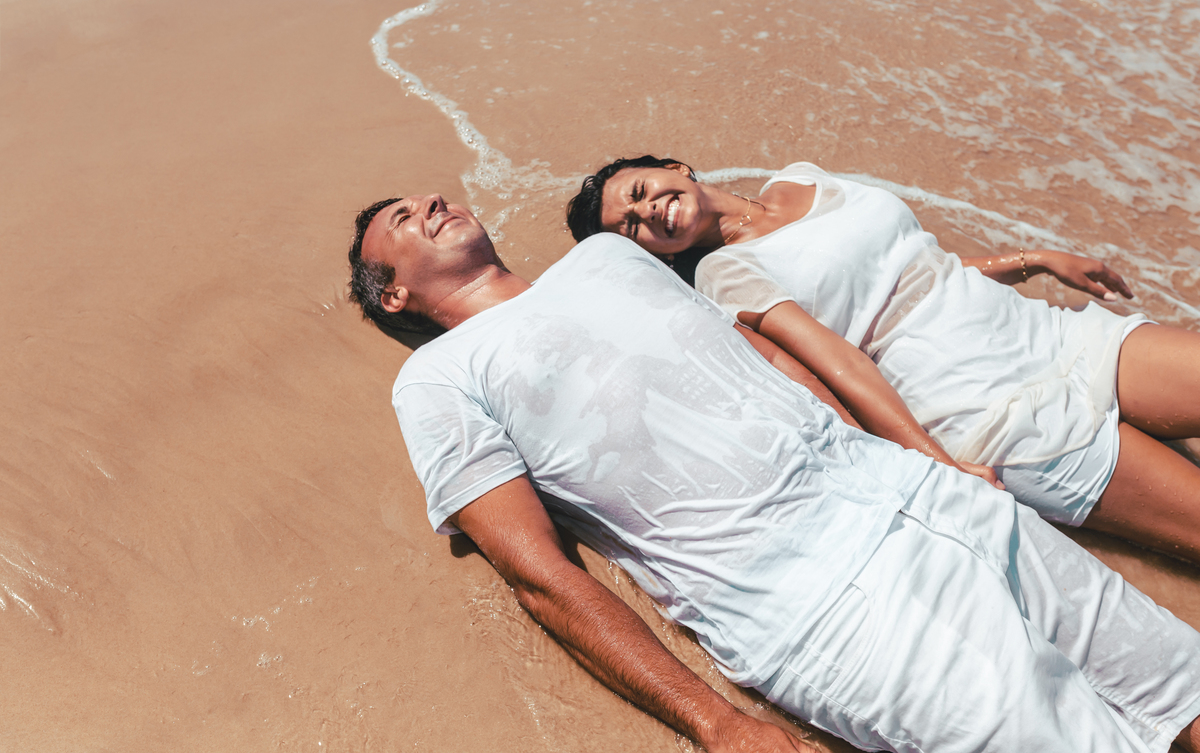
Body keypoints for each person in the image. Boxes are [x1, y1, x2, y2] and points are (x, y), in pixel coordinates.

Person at [348, 191, 1200, 753]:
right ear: (392, 295)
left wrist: (912, 459)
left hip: (930, 499)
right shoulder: (436, 380)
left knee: (1182, 684)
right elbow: (540, 575)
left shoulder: (609, 258)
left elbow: (765, 357)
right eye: (402, 219)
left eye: (427, 196)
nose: (429, 204)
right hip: (823, 607)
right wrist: (716, 722)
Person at [568, 155, 1200, 564]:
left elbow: (915, 267)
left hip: (1050, 334)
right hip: (990, 409)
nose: (647, 211)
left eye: (640, 192)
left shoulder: (799, 178)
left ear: (675, 167)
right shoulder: (722, 274)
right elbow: (841, 363)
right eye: (630, 226)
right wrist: (937, 463)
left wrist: (1032, 260)